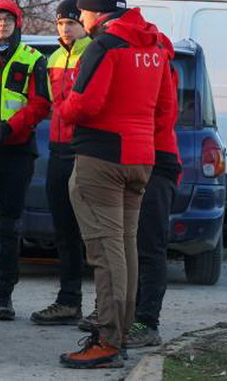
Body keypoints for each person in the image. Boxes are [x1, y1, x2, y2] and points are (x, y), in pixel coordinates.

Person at [58, 0, 173, 369]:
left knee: (106, 253)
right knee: (125, 249)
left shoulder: (105, 46)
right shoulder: (156, 46)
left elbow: (87, 103)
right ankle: (121, 332)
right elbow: (165, 108)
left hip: (102, 159)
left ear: (97, 11)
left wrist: (64, 108)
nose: (82, 18)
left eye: (85, 12)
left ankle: (107, 340)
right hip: (141, 158)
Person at [0, 0, 51, 320]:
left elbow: (40, 103)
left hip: (17, 150)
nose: (2, 24)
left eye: (8, 19)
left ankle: (4, 296)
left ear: (18, 23)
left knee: (10, 226)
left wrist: (9, 128)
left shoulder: (32, 59)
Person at [30, 0, 91, 326]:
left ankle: (104, 306)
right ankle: (69, 300)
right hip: (57, 150)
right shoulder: (52, 58)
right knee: (63, 231)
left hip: (85, 151)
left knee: (92, 233)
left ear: (83, 24)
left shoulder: (93, 53)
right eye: (61, 24)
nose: (66, 29)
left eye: (71, 22)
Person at [126, 32, 182, 348]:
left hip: (157, 162)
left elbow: (160, 119)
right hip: (143, 158)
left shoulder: (163, 72)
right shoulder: (155, 68)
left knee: (149, 246)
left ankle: (147, 323)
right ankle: (129, 315)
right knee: (132, 245)